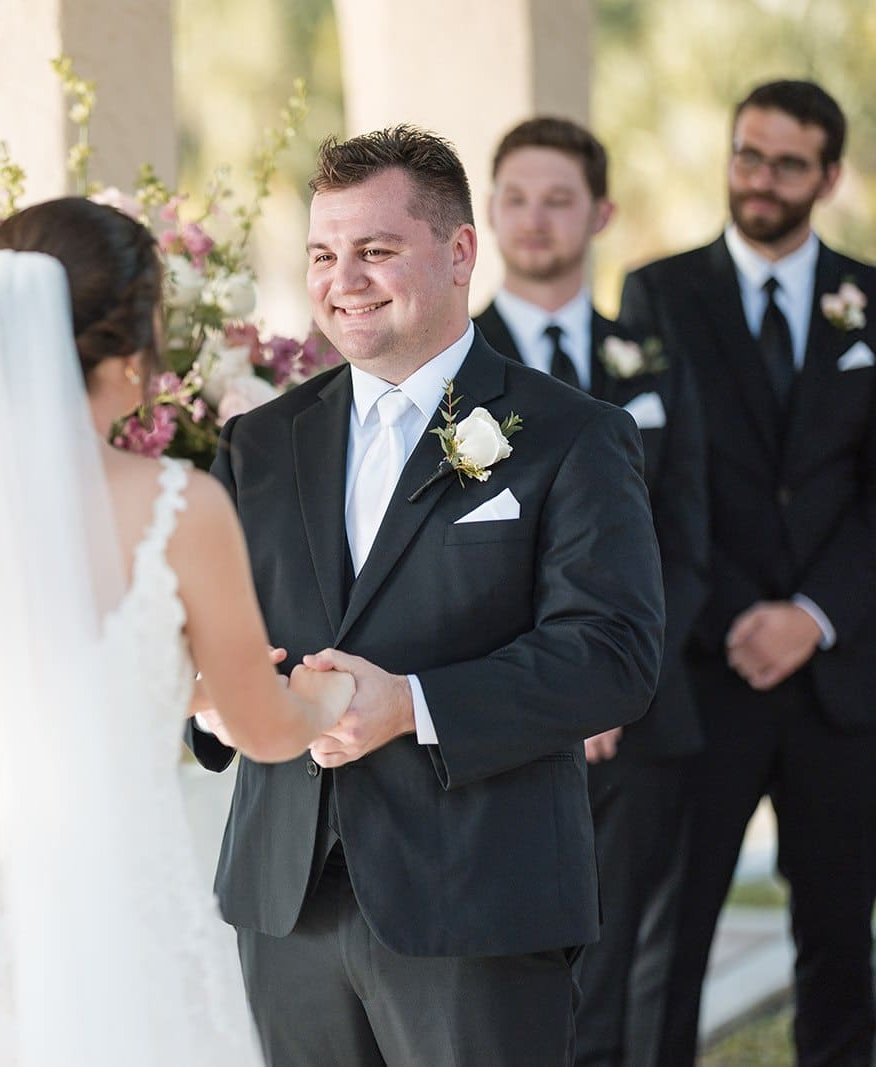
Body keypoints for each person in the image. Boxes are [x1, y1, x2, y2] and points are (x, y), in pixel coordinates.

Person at [0, 196, 356, 1067]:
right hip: (116, 943)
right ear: (139, 342)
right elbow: (264, 729)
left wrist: (172, 684)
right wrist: (327, 691)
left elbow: (17, 681)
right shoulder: (176, 506)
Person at [187, 125, 665, 1065]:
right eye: (325, 253)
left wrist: (407, 704)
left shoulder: (573, 435)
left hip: (478, 897)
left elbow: (613, 654)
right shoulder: (259, 444)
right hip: (285, 901)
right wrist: (216, 705)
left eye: (376, 250)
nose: (343, 278)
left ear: (459, 253)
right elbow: (206, 643)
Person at [620, 80, 876, 1067]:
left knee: (838, 948)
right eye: (745, 154)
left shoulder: (869, 296)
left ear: (828, 176)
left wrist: (811, 614)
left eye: (784, 163)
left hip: (840, 675)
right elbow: (653, 485)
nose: (758, 180)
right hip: (704, 669)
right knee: (668, 945)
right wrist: (738, 614)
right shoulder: (656, 293)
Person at [475, 116, 709, 1067]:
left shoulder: (648, 356)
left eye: (559, 198)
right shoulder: (449, 363)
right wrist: (551, 693)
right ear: (486, 215)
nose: (535, 220)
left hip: (641, 722)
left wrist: (611, 682)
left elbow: (688, 541)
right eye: (516, 199)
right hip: (501, 725)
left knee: (626, 978)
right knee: (510, 980)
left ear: (601, 212)